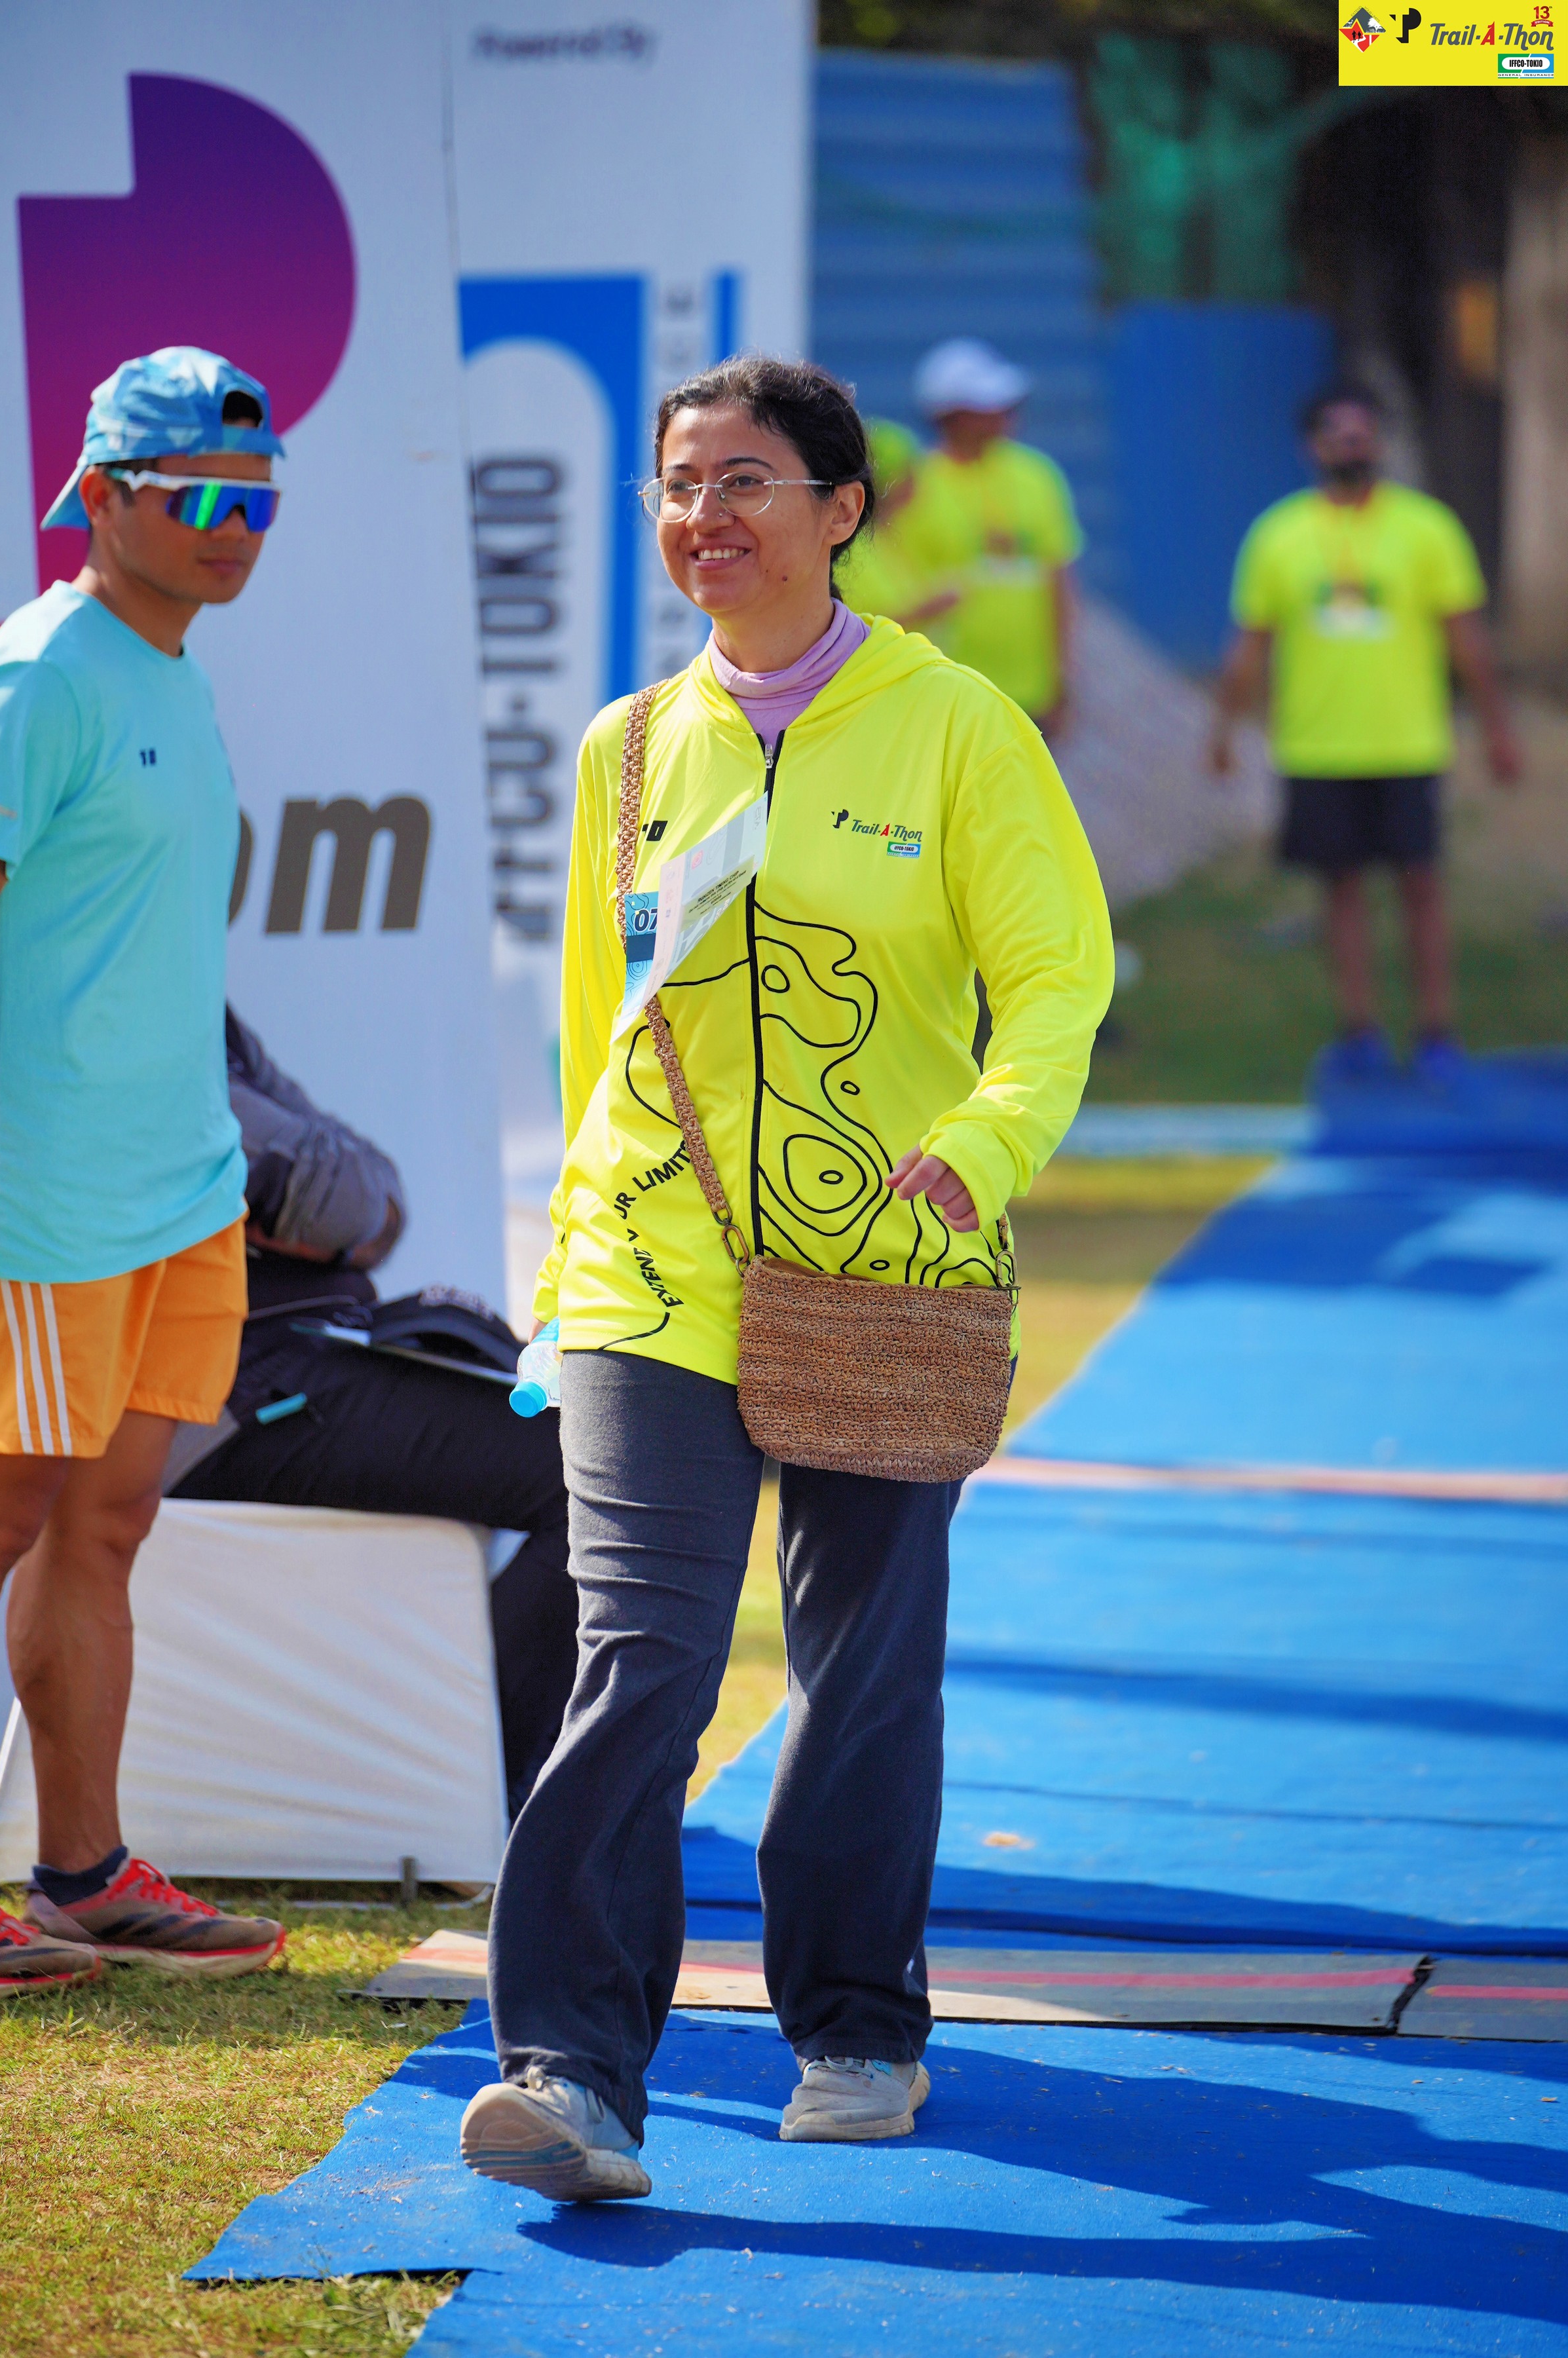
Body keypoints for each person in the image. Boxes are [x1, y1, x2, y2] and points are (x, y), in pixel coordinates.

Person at [458, 356, 1111, 2201]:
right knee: (640, 1654)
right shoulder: (625, 747)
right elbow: (602, 1035)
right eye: (679, 484)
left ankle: (853, 2023)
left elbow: (1053, 980)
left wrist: (986, 1139)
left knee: (859, 1668)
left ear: (841, 510)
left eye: (745, 479)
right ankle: (570, 2071)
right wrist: (561, 1277)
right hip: (650, 1270)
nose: (703, 515)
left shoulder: (958, 725)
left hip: (889, 1260)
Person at [0, 348, 288, 1998]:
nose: (232, 531)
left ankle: (84, 1873)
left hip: (178, 1190)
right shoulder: (41, 677)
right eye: (199, 499)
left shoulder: (168, 669)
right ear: (103, 496)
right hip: (41, 1200)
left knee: (103, 1526)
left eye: (256, 503)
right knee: (5, 1512)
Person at [168, 1011, 577, 1818]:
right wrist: (333, 1205)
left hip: (301, 1353)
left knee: (588, 1443)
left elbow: (368, 1198)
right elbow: (349, 1201)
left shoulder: (202, 1013)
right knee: (579, 1470)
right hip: (223, 1392)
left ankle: (496, 1797)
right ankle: (484, 1806)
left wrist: (331, 1203)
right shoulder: (138, 1010)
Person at [1210, 384, 1523, 1085]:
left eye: (1362, 431)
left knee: (1421, 886)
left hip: (1406, 743)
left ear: (1379, 441)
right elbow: (1250, 643)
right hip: (1319, 747)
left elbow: (1465, 637)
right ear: (1311, 446)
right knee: (1341, 890)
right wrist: (1224, 729)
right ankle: (1361, 1031)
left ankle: (1437, 1031)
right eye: (1336, 432)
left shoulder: (1427, 529)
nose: (1350, 443)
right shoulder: (1278, 535)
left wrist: (1496, 728)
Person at [897, 337, 1083, 741]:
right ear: (950, 415)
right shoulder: (913, 487)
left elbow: (1060, 582)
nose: (1005, 413)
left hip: (1030, 694)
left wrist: (1063, 678)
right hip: (944, 693)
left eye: (1006, 404)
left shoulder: (1038, 476)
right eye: (988, 406)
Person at [834, 419, 955, 633]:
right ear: (888, 482)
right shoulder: (852, 547)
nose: (917, 483)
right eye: (908, 474)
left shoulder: (887, 536)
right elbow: (853, 629)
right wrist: (926, 611)